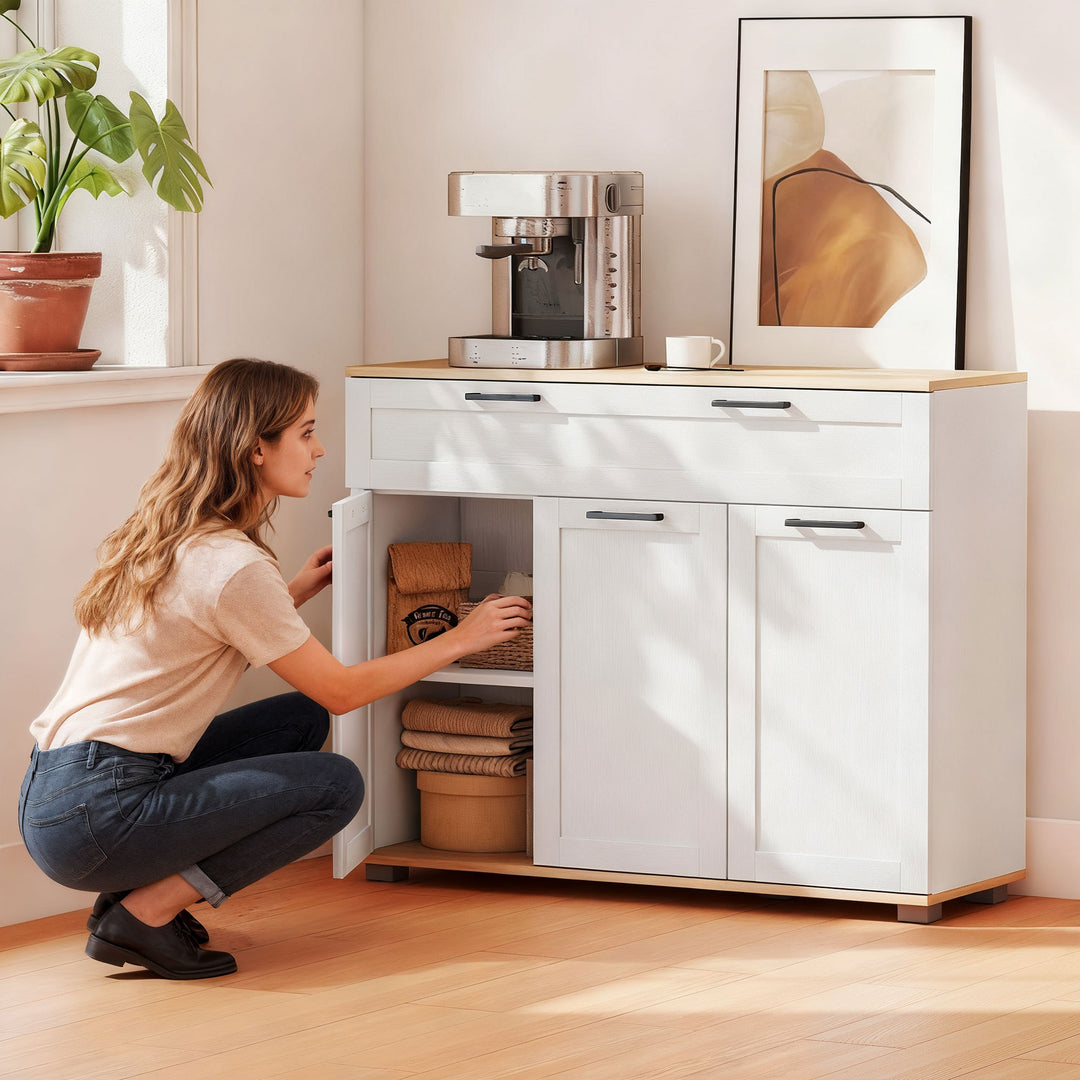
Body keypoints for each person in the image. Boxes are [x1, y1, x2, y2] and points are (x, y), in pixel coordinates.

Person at [17, 357, 531, 981]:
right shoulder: (232, 566)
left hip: (61, 793)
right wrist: (461, 639)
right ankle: (143, 913)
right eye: (306, 432)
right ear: (256, 448)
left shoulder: (175, 534)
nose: (319, 449)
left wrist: (294, 591)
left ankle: (131, 898)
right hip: (100, 815)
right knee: (335, 784)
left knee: (296, 718)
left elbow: (195, 632)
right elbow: (342, 692)